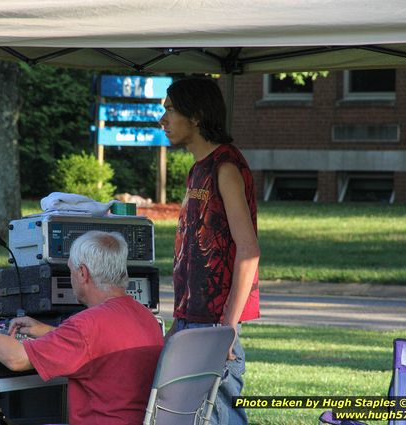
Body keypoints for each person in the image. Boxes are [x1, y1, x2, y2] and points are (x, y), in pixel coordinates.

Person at [0, 231, 164, 425]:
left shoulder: (89, 324)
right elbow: (102, 349)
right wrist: (48, 331)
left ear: (83, 273)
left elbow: (17, 358)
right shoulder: (146, 317)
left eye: (71, 270)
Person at [159, 77, 261, 425]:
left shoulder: (226, 167)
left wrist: (228, 327)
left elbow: (248, 251)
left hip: (216, 326)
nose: (163, 121)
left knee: (217, 415)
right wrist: (179, 319)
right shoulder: (197, 169)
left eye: (170, 111)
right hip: (192, 320)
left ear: (197, 115)